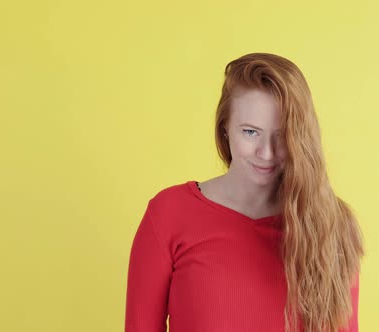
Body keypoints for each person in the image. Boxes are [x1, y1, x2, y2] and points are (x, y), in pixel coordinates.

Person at [124, 52, 365, 332]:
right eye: (250, 132)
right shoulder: (169, 214)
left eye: (283, 134)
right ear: (225, 128)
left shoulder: (331, 225)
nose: (267, 152)